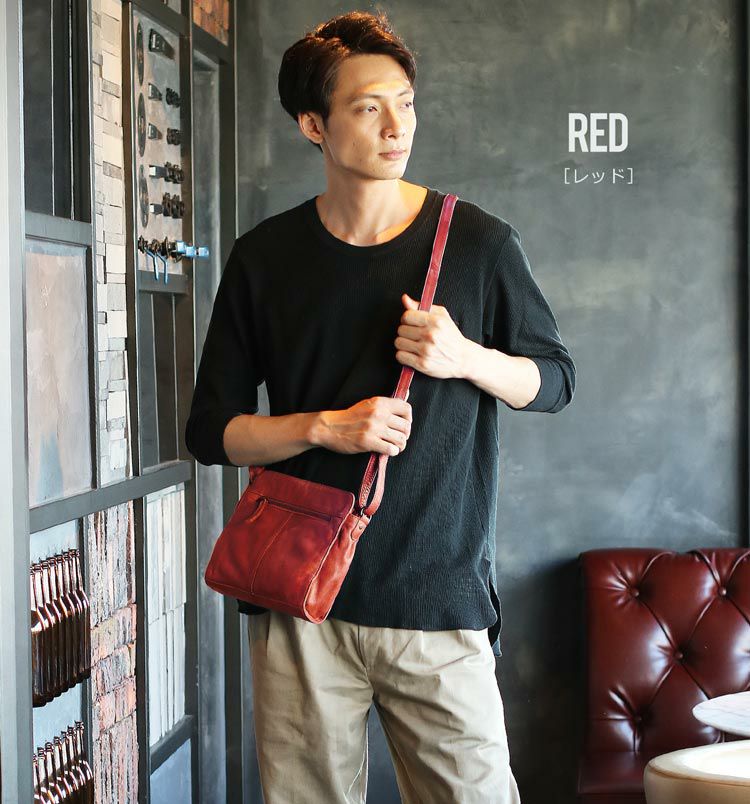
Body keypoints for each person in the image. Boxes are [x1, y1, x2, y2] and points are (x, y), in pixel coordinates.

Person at [185, 10, 575, 804]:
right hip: (301, 606)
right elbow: (212, 433)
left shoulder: (478, 245)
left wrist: (463, 358)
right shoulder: (265, 258)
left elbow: (556, 381)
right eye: (368, 108)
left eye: (405, 102)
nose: (397, 126)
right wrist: (326, 428)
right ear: (313, 125)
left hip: (438, 605)